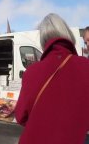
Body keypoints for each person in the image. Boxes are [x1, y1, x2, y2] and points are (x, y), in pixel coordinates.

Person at [15, 13, 89, 144]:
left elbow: (21, 117)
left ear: (43, 40)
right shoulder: (86, 67)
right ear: (68, 35)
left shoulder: (32, 71)